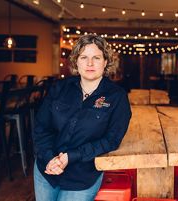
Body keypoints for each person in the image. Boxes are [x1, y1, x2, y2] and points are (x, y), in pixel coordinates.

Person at [32, 34, 132, 201]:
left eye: (96, 58)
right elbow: (41, 128)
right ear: (76, 61)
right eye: (84, 57)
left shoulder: (117, 97)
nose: (90, 63)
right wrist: (50, 157)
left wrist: (70, 157)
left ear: (105, 62)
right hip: (47, 169)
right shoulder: (59, 88)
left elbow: (111, 140)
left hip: (83, 176)